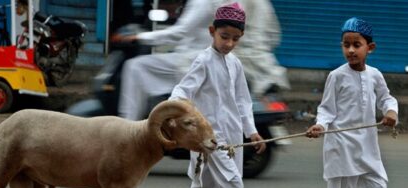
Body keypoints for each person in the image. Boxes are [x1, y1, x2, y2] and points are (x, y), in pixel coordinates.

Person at [169, 2, 271, 188]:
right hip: (209, 140)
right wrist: (174, 116)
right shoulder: (203, 61)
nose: (228, 43)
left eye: (235, 39)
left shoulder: (235, 63)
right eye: (224, 37)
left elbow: (243, 101)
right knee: (233, 183)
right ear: (212, 31)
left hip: (233, 137)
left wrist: (252, 132)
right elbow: (182, 92)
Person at [306, 17, 398, 188]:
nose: (350, 50)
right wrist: (320, 125)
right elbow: (326, 109)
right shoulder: (336, 76)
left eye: (356, 44)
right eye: (346, 44)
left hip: (367, 144)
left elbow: (387, 99)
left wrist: (391, 112)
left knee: (378, 186)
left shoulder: (375, 75)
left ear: (370, 48)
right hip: (341, 145)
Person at [117, 0, 289, 120]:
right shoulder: (262, 4)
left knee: (136, 66)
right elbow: (274, 36)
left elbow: (180, 32)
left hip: (194, 58)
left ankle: (127, 127)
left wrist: (139, 37)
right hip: (255, 62)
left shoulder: (205, 1)